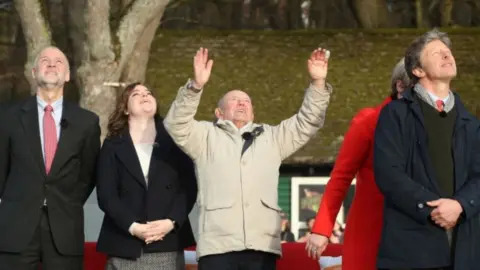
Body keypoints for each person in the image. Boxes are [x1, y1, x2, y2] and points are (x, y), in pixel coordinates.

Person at [164, 47, 333, 270]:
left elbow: (308, 122)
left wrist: (318, 84)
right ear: (219, 113)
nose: (242, 103)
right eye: (234, 100)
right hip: (218, 246)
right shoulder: (204, 137)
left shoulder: (273, 138)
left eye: (247, 101)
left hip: (262, 246)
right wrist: (195, 87)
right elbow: (175, 124)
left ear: (253, 112)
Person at [374, 29, 480, 270]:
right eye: (437, 53)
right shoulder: (396, 114)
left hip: (465, 250)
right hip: (413, 248)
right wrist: (432, 208)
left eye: (448, 52)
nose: (446, 55)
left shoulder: (471, 122)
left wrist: (461, 205)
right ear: (418, 70)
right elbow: (389, 174)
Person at [305, 58, 410, 270]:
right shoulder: (368, 122)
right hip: (371, 229)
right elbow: (341, 176)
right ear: (400, 86)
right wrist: (322, 228)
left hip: (416, 232)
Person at [0, 46, 100, 269]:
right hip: (16, 228)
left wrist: (65, 201)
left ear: (67, 76)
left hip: (64, 228)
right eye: (45, 60)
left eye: (59, 61)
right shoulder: (7, 117)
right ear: (33, 73)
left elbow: (88, 174)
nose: (52, 64)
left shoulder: (87, 122)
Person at [95, 83, 197, 270]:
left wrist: (171, 222)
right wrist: (133, 227)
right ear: (125, 108)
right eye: (136, 94)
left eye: (149, 93)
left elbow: (189, 187)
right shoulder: (112, 145)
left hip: (166, 242)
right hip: (124, 242)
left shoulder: (175, 139)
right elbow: (106, 195)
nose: (144, 96)